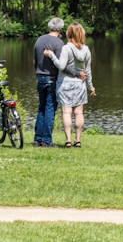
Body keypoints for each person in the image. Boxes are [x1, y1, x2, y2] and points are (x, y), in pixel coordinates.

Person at [33, 17, 82, 148]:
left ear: (50, 27)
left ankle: (37, 140)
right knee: (50, 109)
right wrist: (77, 73)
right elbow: (63, 65)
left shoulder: (39, 40)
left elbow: (35, 61)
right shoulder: (59, 43)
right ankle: (47, 141)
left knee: (41, 108)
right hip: (51, 79)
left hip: (40, 77)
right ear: (60, 29)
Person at [44, 22, 95, 148]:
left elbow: (61, 66)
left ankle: (68, 140)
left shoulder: (66, 48)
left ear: (69, 34)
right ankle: (77, 140)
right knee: (79, 113)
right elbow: (87, 71)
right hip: (80, 84)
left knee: (66, 113)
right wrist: (91, 87)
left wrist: (51, 55)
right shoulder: (86, 50)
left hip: (65, 83)